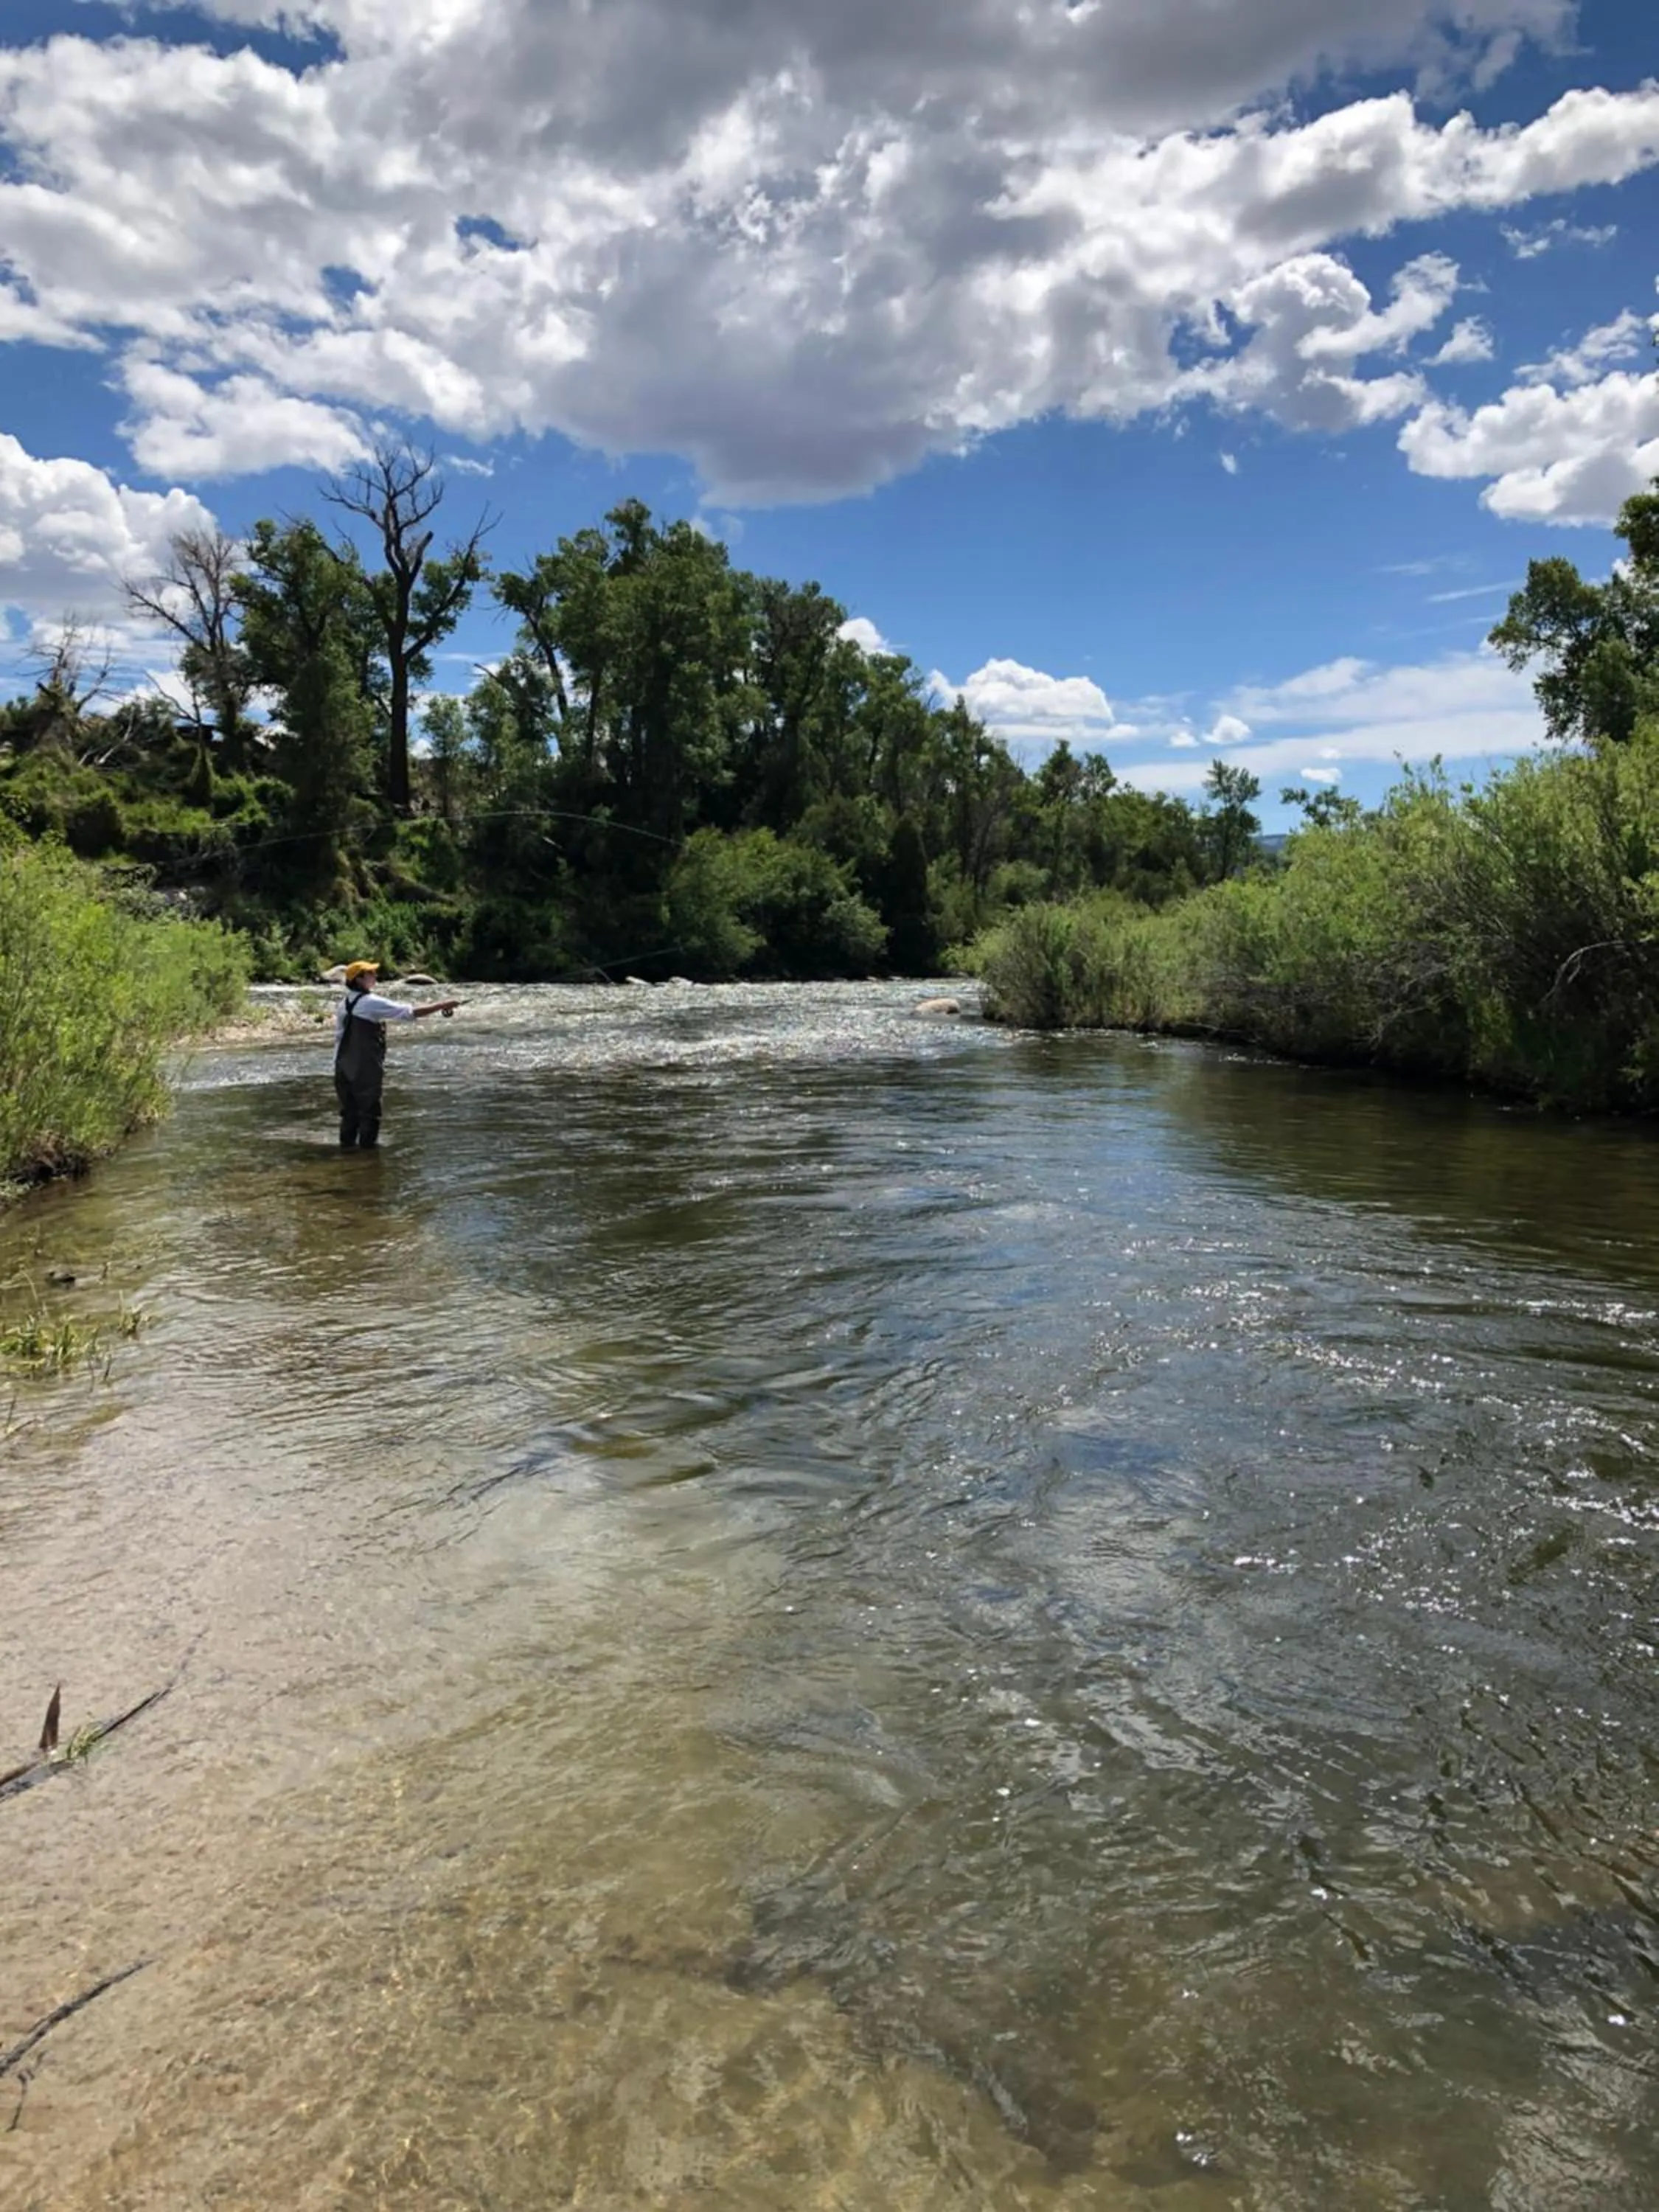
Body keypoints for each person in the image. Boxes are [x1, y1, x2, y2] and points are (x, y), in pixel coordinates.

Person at [333, 960, 461, 1149]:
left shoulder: (344, 1004)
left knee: (350, 1113)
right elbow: (410, 1013)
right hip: (364, 1069)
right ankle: (368, 1158)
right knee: (370, 1113)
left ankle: (346, 1154)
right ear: (359, 980)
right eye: (370, 974)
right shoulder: (370, 1003)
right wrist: (443, 1004)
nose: (375, 976)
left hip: (341, 1068)